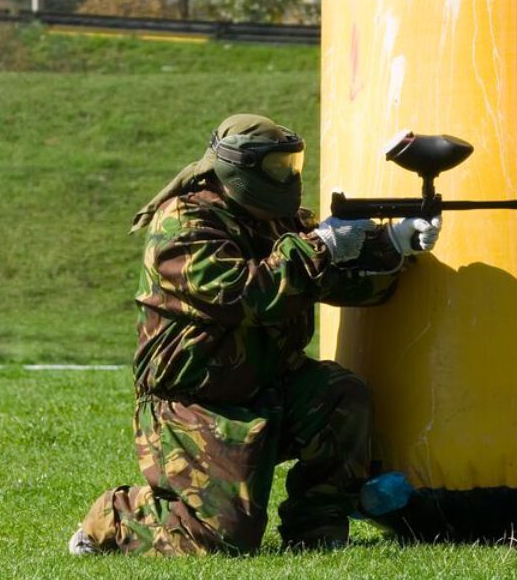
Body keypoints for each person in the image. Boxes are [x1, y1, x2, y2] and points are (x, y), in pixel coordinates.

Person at [70, 114, 440, 555]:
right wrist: (323, 247)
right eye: (275, 167)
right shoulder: (184, 223)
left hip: (273, 386)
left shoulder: (280, 223)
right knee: (221, 539)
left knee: (341, 394)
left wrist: (392, 247)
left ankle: (317, 531)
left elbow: (337, 282)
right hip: (196, 402)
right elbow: (245, 293)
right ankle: (116, 516)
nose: (287, 176)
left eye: (291, 164)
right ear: (237, 166)